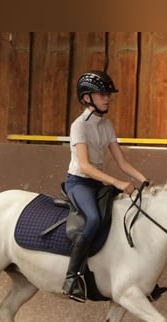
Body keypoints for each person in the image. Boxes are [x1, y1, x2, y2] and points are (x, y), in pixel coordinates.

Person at [62, 70, 149, 302]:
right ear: (87, 98)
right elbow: (86, 166)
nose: (107, 98)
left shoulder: (107, 125)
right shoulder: (78, 126)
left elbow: (121, 161)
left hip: (98, 182)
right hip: (79, 182)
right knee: (93, 219)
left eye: (107, 94)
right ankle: (72, 278)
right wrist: (117, 182)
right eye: (102, 94)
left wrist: (143, 179)